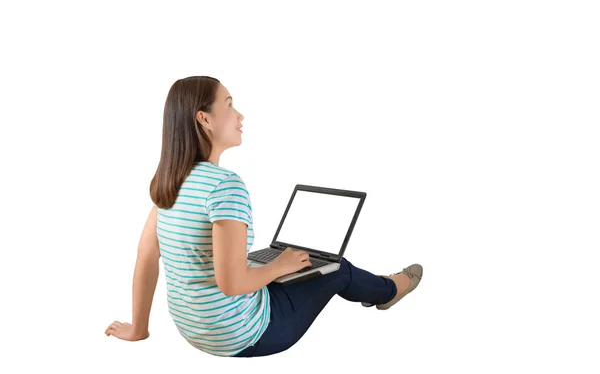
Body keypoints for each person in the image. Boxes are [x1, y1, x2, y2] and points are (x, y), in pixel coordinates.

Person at [104, 76, 424, 358]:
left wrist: (139, 329)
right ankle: (389, 291)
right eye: (229, 105)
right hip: (243, 337)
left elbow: (147, 257)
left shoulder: (169, 182)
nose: (239, 115)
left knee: (299, 268)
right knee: (337, 268)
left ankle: (374, 288)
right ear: (204, 119)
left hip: (194, 331)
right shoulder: (225, 186)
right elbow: (232, 283)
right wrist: (278, 266)